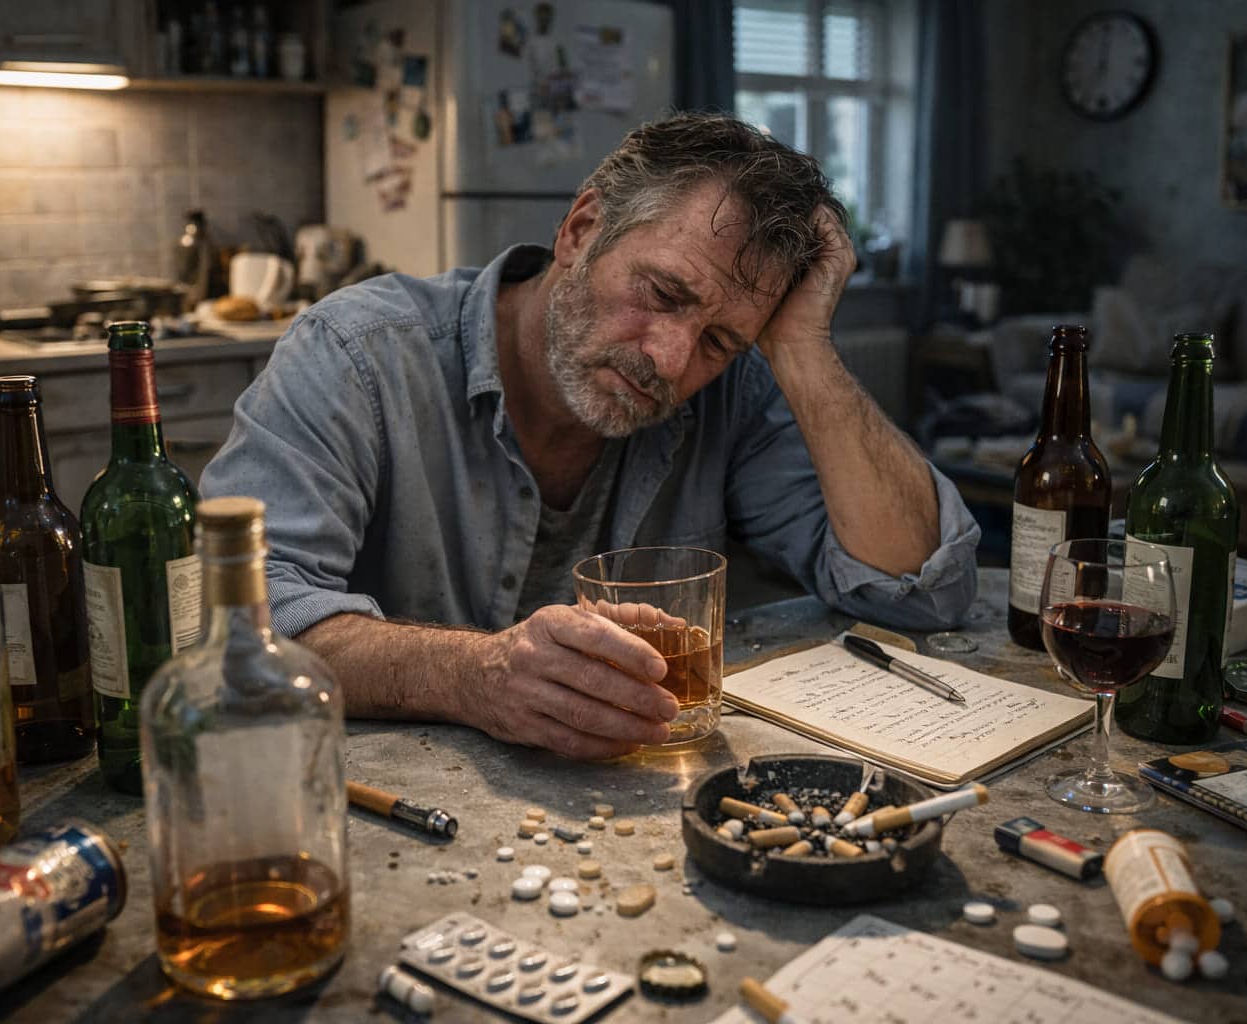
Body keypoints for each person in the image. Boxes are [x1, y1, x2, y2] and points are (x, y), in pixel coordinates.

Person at [202, 113, 980, 760]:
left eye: (719, 341)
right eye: (663, 293)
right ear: (581, 230)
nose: (669, 360)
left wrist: (802, 350)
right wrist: (473, 674)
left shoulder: (732, 393)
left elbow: (920, 588)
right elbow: (231, 622)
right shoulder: (356, 356)